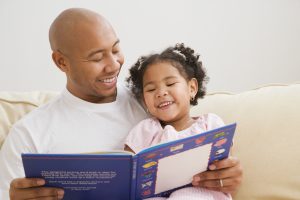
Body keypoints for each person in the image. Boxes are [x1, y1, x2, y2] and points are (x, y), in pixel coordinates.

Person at [0, 8, 242, 200]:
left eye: (115, 49)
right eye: (97, 57)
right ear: (62, 62)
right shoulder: (29, 133)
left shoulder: (151, 100)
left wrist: (225, 174)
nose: (114, 64)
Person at [124, 43, 232, 199]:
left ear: (192, 88)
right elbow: (125, 170)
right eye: (151, 89)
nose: (161, 93)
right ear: (144, 100)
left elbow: (226, 167)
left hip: (201, 193)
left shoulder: (210, 124)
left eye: (170, 84)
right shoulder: (145, 130)